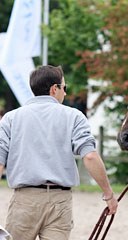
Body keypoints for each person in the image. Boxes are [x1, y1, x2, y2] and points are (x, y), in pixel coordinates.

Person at [0, 65, 118, 240]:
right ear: (54, 89)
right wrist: (108, 193)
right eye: (64, 87)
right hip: (60, 201)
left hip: (24, 201)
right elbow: (90, 156)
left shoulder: (10, 119)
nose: (65, 93)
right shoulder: (74, 117)